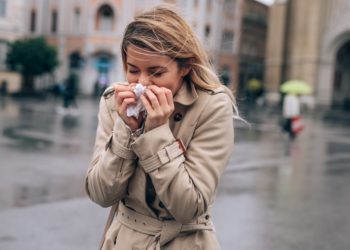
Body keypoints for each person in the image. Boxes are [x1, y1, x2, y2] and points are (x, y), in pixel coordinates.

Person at [85, 6, 237, 250]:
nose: (142, 83)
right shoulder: (114, 100)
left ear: (184, 67)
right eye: (133, 70)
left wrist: (157, 133)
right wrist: (127, 130)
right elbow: (101, 194)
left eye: (156, 72)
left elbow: (189, 206)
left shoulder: (212, 106)